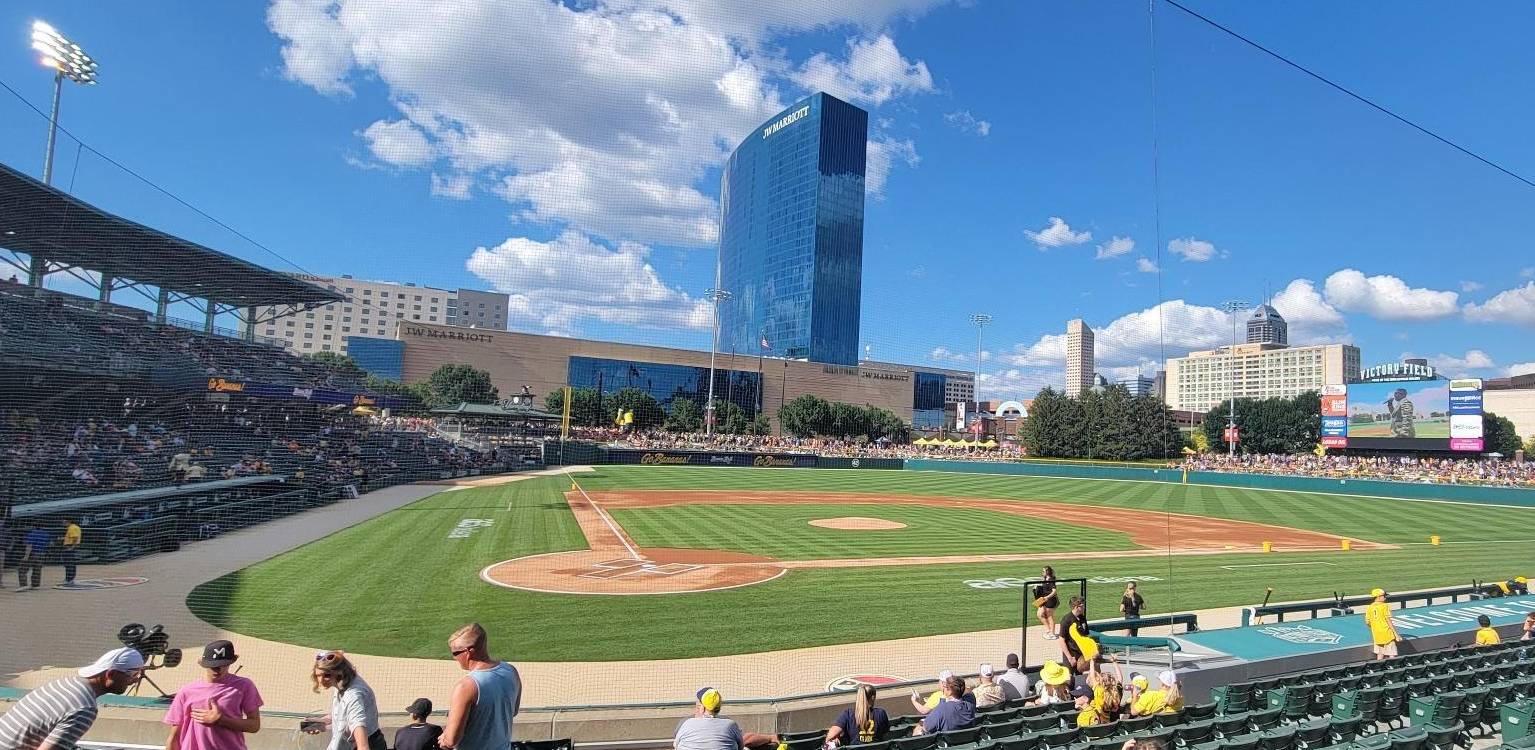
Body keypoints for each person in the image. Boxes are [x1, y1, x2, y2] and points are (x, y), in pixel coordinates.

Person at [0, 647, 144, 750]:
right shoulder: (84, 708)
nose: (136, 680)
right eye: (133, 674)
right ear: (111, 674)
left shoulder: (65, 683)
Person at [165, 640, 264, 750]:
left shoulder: (244, 686)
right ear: (204, 664)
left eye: (223, 665)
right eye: (214, 666)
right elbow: (174, 736)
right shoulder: (187, 691)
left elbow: (254, 725)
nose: (219, 669)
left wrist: (221, 720)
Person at [440, 623, 521, 750]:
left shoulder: (466, 686)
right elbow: (513, 711)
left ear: (468, 652)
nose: (454, 658)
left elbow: (451, 740)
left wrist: (444, 737)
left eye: (455, 653)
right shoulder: (511, 671)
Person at [302, 651, 383, 750]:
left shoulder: (353, 695)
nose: (321, 680)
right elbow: (345, 716)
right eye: (318, 675)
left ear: (338, 672)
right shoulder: (343, 681)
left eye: (326, 675)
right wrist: (321, 724)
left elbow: (363, 745)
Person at [673, 688, 776, 750]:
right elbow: (741, 745)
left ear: (701, 707)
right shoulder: (729, 724)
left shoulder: (686, 724)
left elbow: (676, 746)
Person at [824, 684, 889, 748]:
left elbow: (830, 736)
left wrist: (836, 737)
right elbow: (885, 735)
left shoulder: (848, 714)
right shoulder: (881, 713)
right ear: (873, 697)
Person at [1058, 596, 1097, 673]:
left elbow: (1085, 636)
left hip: (1081, 654)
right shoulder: (1066, 620)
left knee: (1080, 675)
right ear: (1076, 607)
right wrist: (1069, 657)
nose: (1084, 608)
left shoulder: (1082, 617)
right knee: (1069, 677)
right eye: (1082, 606)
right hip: (1071, 654)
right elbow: (1061, 640)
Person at [1363, 588, 1400, 660]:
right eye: (1384, 596)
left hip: (1377, 634)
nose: (1385, 598)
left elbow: (1367, 622)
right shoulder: (1384, 606)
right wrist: (1396, 635)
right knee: (1391, 654)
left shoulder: (1369, 607)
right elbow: (1388, 621)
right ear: (1378, 597)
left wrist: (1375, 627)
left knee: (1380, 654)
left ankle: (1378, 667)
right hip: (1387, 633)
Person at [17, 524, 51, 590]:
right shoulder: (46, 534)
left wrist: (26, 557)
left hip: (33, 554)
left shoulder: (31, 534)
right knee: (37, 569)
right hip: (42, 553)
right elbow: (49, 544)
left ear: (33, 527)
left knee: (22, 569)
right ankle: (35, 585)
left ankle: (23, 585)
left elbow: (29, 546)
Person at [1035, 567, 1060, 640]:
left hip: (1050, 600)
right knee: (1039, 614)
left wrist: (1047, 597)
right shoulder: (1045, 578)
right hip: (1043, 599)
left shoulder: (1051, 580)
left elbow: (1054, 591)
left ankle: (1052, 634)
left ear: (1047, 572)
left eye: (1043, 571)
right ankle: (1048, 629)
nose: (1042, 572)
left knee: (1049, 616)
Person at [60, 518, 82, 586]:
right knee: (70, 563)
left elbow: (75, 538)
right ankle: (70, 578)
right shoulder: (75, 527)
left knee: (69, 563)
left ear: (68, 521)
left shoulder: (72, 528)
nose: (62, 523)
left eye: (64, 521)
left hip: (69, 546)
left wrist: (71, 547)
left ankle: (69, 579)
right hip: (70, 546)